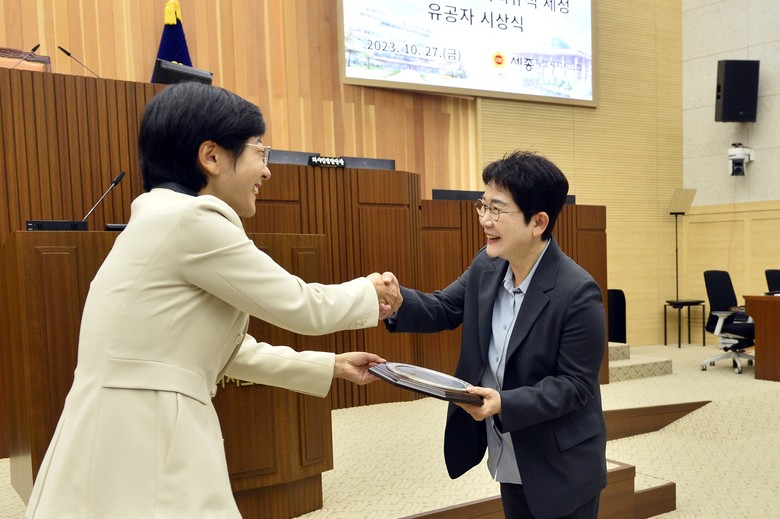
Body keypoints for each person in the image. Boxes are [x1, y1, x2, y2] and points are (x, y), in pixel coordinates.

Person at [25, 81, 398, 518]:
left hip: (125, 423)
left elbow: (223, 351)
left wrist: (330, 365)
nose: (267, 171)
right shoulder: (192, 220)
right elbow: (301, 306)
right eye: (260, 151)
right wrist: (370, 293)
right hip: (149, 429)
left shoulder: (162, 216)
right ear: (212, 156)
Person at [385, 151, 607, 519]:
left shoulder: (577, 291)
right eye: (483, 206)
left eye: (497, 210)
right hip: (509, 450)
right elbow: (444, 307)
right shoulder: (487, 266)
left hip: (561, 464)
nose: (485, 220)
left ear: (538, 222)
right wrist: (397, 302)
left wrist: (504, 402)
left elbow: (574, 386)